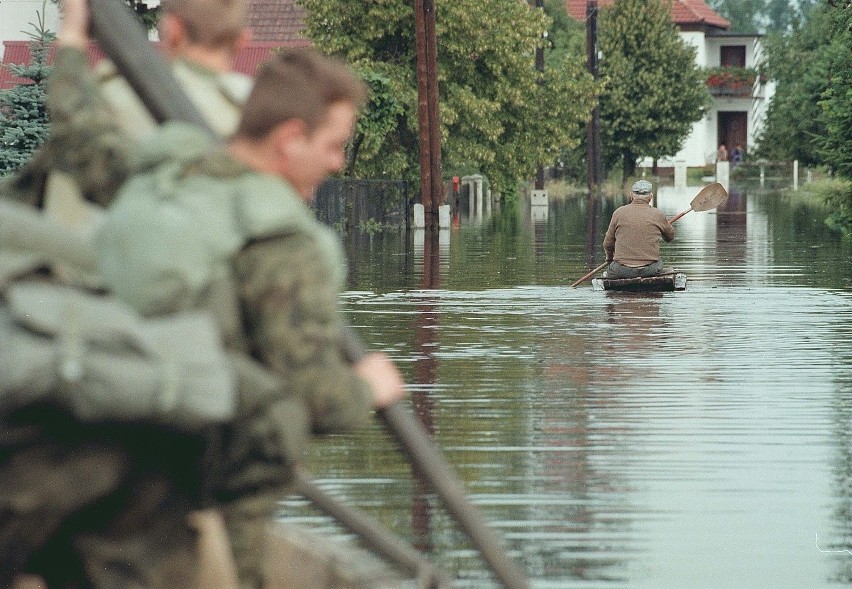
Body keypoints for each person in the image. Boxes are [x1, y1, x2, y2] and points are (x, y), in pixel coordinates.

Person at [0, 0, 407, 587]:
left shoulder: (161, 170)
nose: (339, 162)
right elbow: (316, 397)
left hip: (61, 427)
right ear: (290, 138)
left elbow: (83, 135)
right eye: (334, 144)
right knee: (274, 416)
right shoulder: (282, 243)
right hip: (154, 465)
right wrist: (368, 387)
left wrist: (71, 40)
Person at [602, 179, 675, 279]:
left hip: (622, 270)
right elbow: (670, 237)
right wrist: (663, 226)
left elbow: (608, 244)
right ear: (650, 196)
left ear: (631, 195)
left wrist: (609, 259)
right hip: (649, 270)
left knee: (609, 271)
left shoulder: (618, 213)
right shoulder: (658, 214)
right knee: (664, 266)